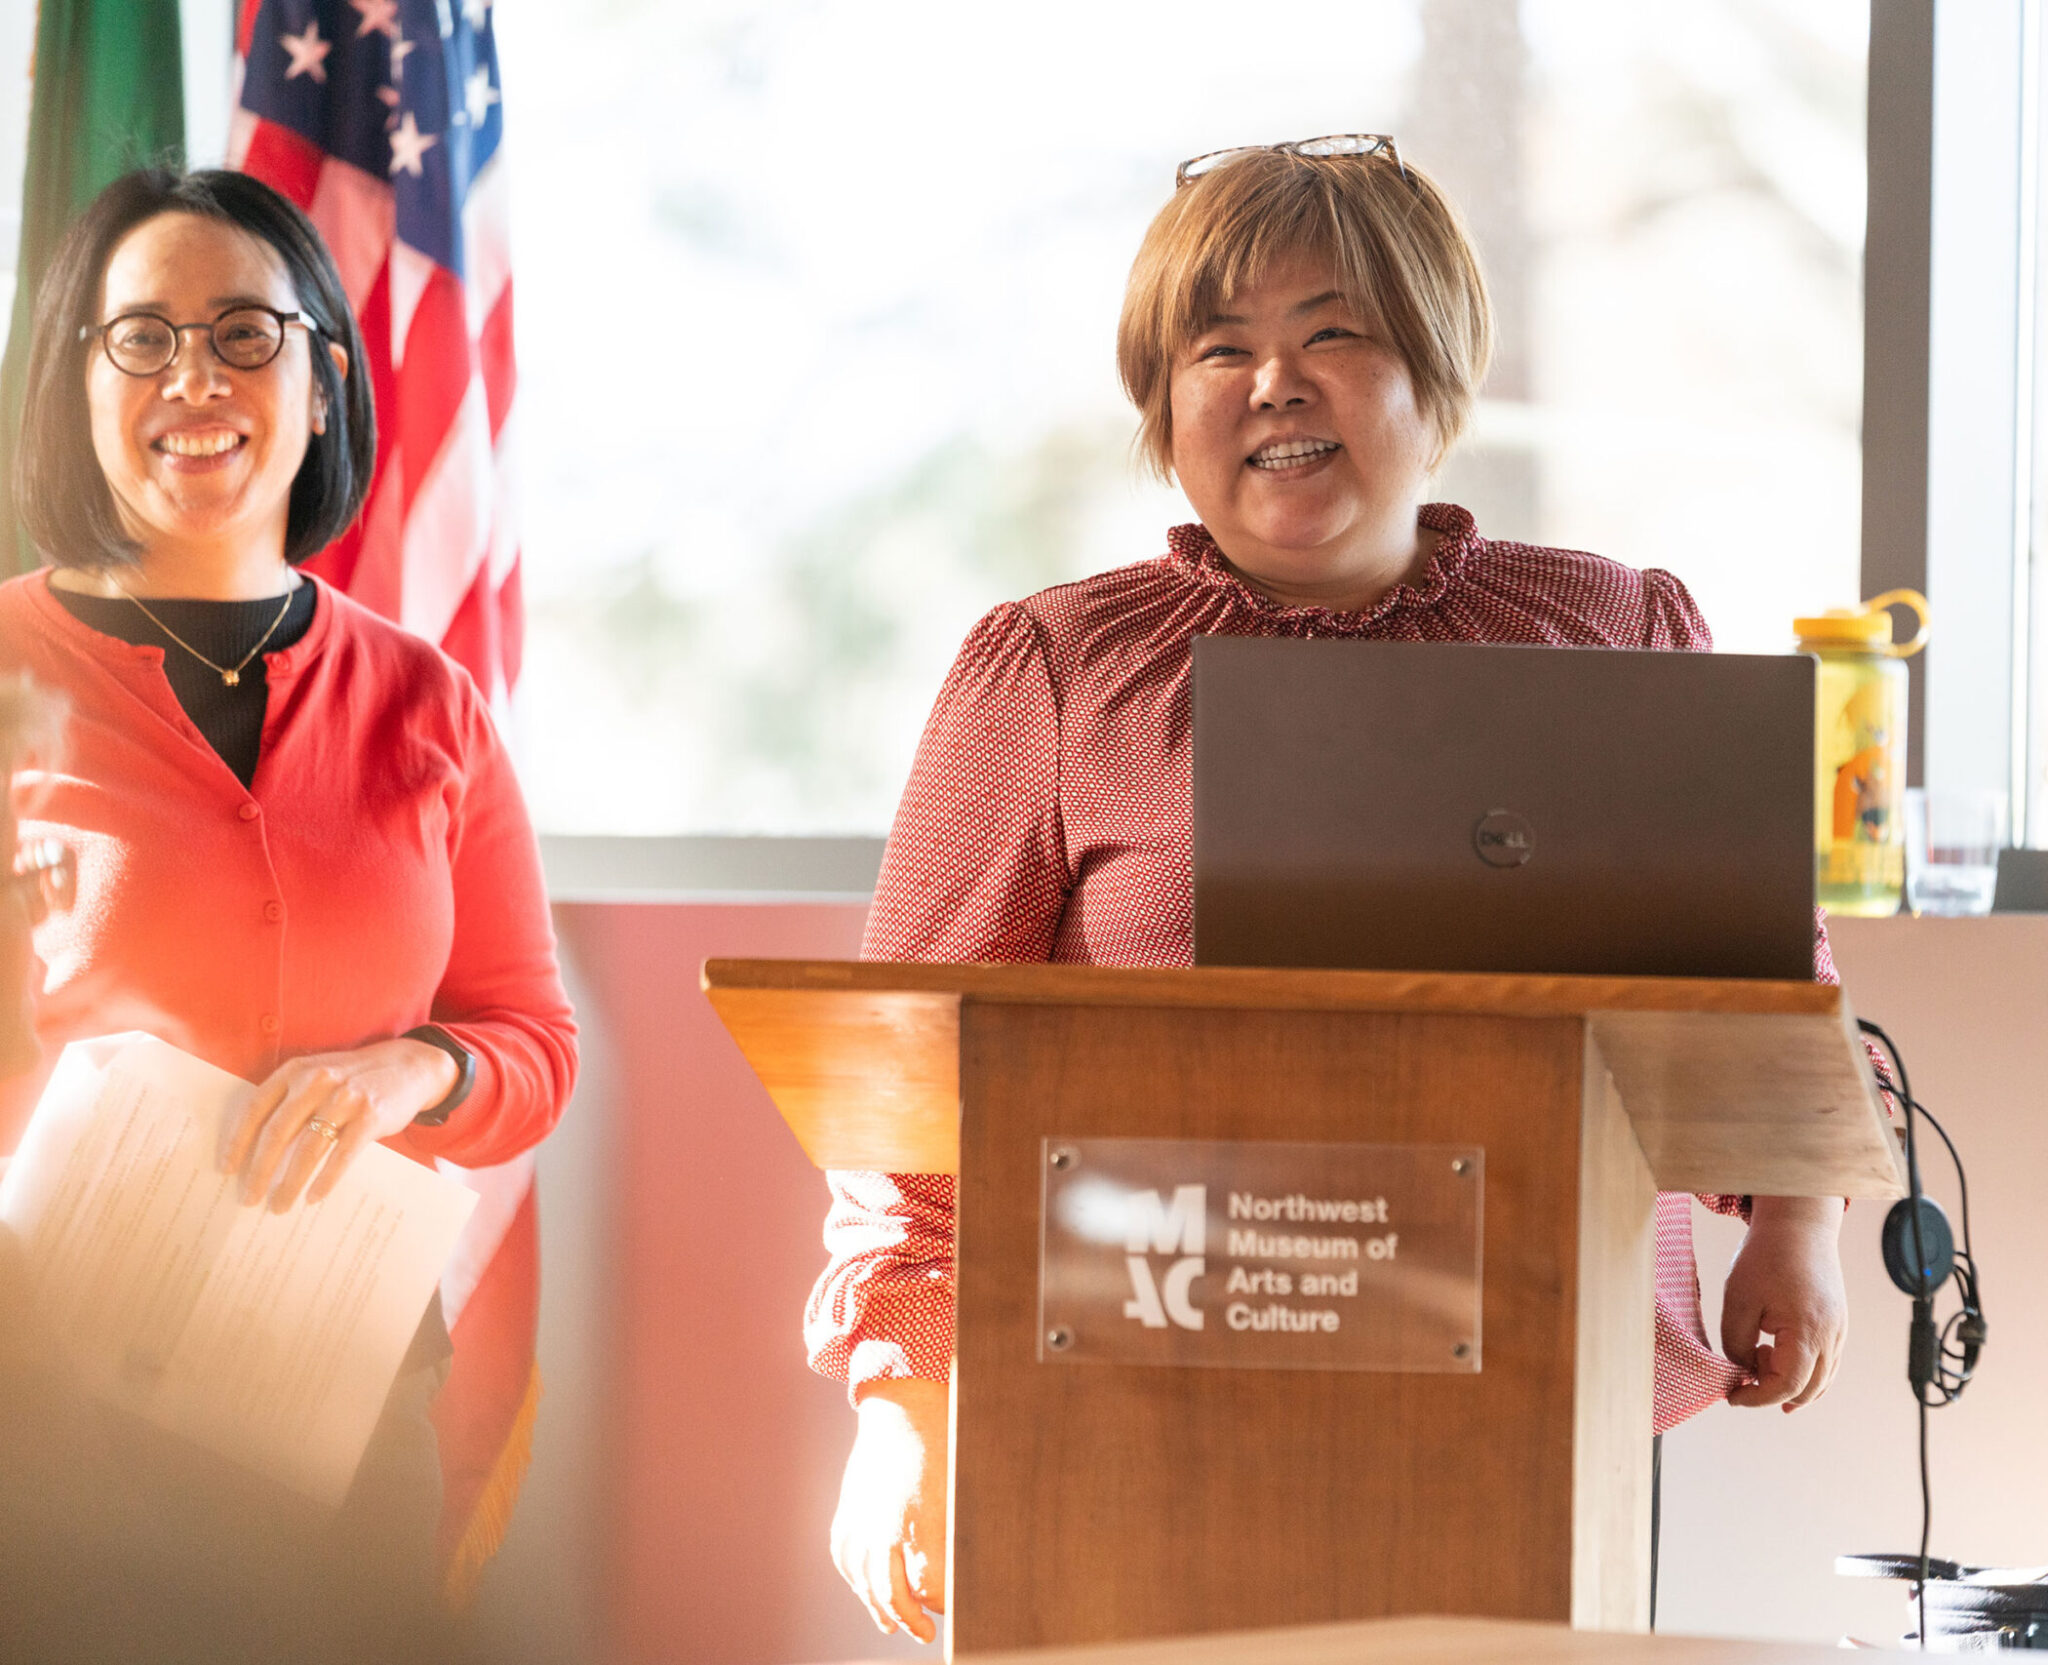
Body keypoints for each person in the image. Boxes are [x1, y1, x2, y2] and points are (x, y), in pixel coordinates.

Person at [809, 136, 1852, 1641]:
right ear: (1162, 408)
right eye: (1217, 349)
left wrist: (1800, 1222)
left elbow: (1762, 982)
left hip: (1536, 1400)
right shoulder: (1050, 668)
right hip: (1128, 1398)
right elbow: (906, 1077)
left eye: (1333, 335)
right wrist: (902, 1401)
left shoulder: (1614, 626)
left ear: (1437, 376)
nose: (1274, 385)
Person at [0, 167, 575, 1656]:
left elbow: (533, 1041)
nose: (193, 377)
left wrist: (411, 1072)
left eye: (244, 333)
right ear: (76, 384)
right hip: (46, 1417)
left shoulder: (428, 701)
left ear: (324, 383)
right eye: (141, 336)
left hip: (343, 1401)